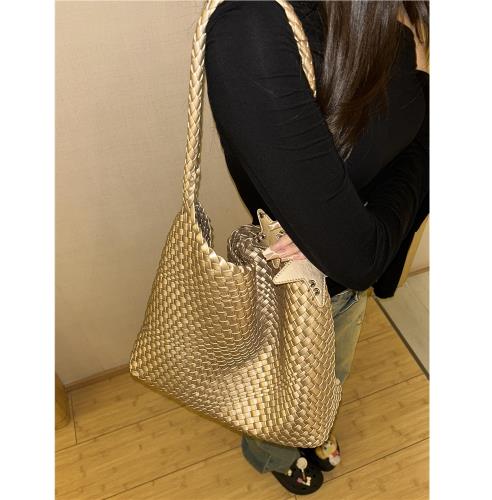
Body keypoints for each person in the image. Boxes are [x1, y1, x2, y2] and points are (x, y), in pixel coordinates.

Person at [205, 0, 429, 495]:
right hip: (295, 279)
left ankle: (313, 427)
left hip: (346, 279)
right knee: (280, 384)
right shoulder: (252, 25)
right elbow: (362, 255)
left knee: (328, 371)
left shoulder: (377, 15)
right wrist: (421, 152)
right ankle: (273, 452)